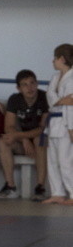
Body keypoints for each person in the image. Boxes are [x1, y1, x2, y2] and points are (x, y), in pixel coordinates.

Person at [0, 69, 49, 200]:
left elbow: (42, 129)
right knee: (3, 141)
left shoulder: (45, 98)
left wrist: (22, 137)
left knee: (39, 139)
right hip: (23, 143)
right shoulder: (14, 99)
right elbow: (9, 127)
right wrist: (24, 139)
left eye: (32, 83)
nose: (30, 87)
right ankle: (10, 187)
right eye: (24, 84)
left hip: (41, 144)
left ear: (37, 84)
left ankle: (40, 188)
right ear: (18, 88)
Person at [42, 44, 73, 205]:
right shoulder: (55, 78)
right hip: (53, 123)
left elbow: (70, 106)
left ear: (62, 59)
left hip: (67, 123)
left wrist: (71, 128)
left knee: (65, 161)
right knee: (52, 161)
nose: (52, 61)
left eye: (55, 58)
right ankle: (57, 193)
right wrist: (61, 101)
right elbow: (51, 99)